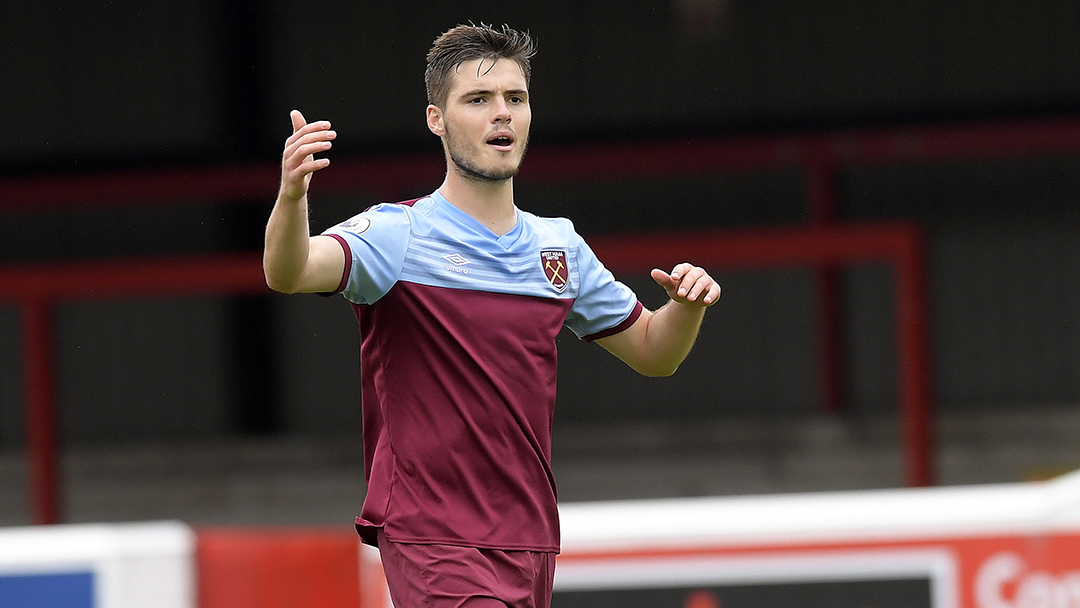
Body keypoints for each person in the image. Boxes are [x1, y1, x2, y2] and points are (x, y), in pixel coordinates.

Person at [263, 23, 721, 608]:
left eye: (515, 98)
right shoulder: (396, 234)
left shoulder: (560, 248)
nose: (501, 113)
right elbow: (290, 272)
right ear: (437, 120)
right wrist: (292, 196)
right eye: (478, 100)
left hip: (530, 539)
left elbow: (656, 352)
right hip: (434, 533)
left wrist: (686, 307)